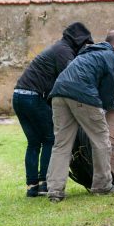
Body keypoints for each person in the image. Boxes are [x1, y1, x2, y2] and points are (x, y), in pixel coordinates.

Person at [46, 30, 114, 202]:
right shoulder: (111, 57)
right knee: (101, 140)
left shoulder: (91, 53)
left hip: (59, 94)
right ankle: (102, 186)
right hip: (82, 95)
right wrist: (110, 103)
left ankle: (55, 190)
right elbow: (109, 86)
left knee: (61, 144)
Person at [12, 22, 94, 197]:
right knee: (51, 138)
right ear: (78, 41)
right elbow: (72, 80)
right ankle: (45, 184)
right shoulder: (64, 52)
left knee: (34, 143)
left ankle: (32, 187)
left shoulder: (60, 48)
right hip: (32, 97)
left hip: (19, 96)